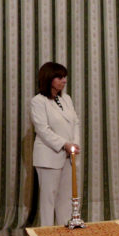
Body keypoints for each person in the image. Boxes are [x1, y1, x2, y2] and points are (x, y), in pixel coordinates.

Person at [30, 62, 81, 226]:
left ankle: (64, 232)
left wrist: (74, 144)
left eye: (64, 77)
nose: (64, 81)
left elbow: (75, 122)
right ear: (49, 78)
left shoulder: (66, 99)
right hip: (48, 156)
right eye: (59, 77)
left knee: (65, 199)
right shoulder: (38, 101)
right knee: (48, 200)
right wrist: (64, 144)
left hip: (68, 156)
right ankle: (47, 233)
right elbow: (42, 129)